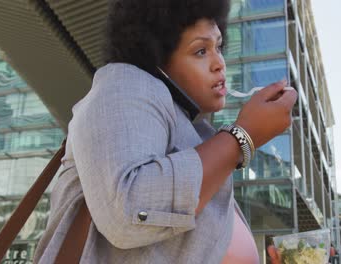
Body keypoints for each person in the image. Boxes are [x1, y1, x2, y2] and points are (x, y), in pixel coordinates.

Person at [33, 0, 297, 263]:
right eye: (201, 51)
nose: (219, 63)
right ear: (156, 57)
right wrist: (243, 136)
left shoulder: (195, 133)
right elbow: (127, 211)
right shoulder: (125, 84)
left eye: (219, 47)